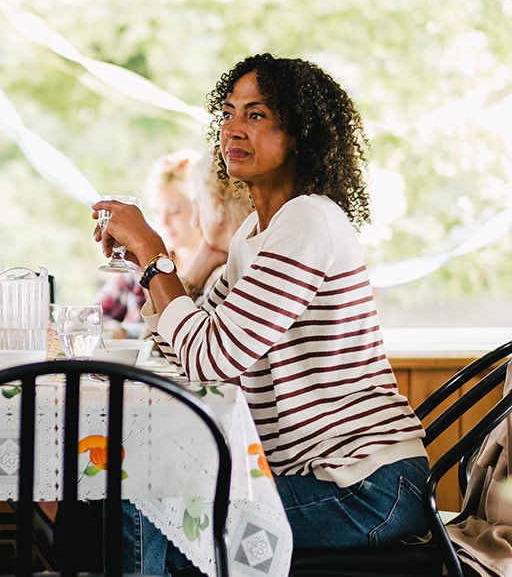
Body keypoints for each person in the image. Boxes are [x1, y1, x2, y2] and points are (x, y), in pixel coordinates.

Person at [93, 54, 429, 574]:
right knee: (141, 491)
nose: (232, 129)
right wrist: (147, 264)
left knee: (155, 512)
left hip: (366, 487)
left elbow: (212, 358)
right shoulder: (255, 234)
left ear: (299, 134)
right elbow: (185, 348)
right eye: (228, 113)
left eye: (256, 115)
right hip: (324, 477)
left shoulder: (308, 222)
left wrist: (157, 253)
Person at [94, 151, 202, 335]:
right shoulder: (138, 267)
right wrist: (111, 328)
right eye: (157, 212)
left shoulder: (219, 276)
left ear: (200, 206)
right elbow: (91, 317)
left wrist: (126, 332)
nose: (164, 222)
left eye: (174, 211)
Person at [176, 153, 254, 305]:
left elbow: (160, 328)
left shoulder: (237, 281)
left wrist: (195, 273)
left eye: (197, 203)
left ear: (215, 204)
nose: (194, 222)